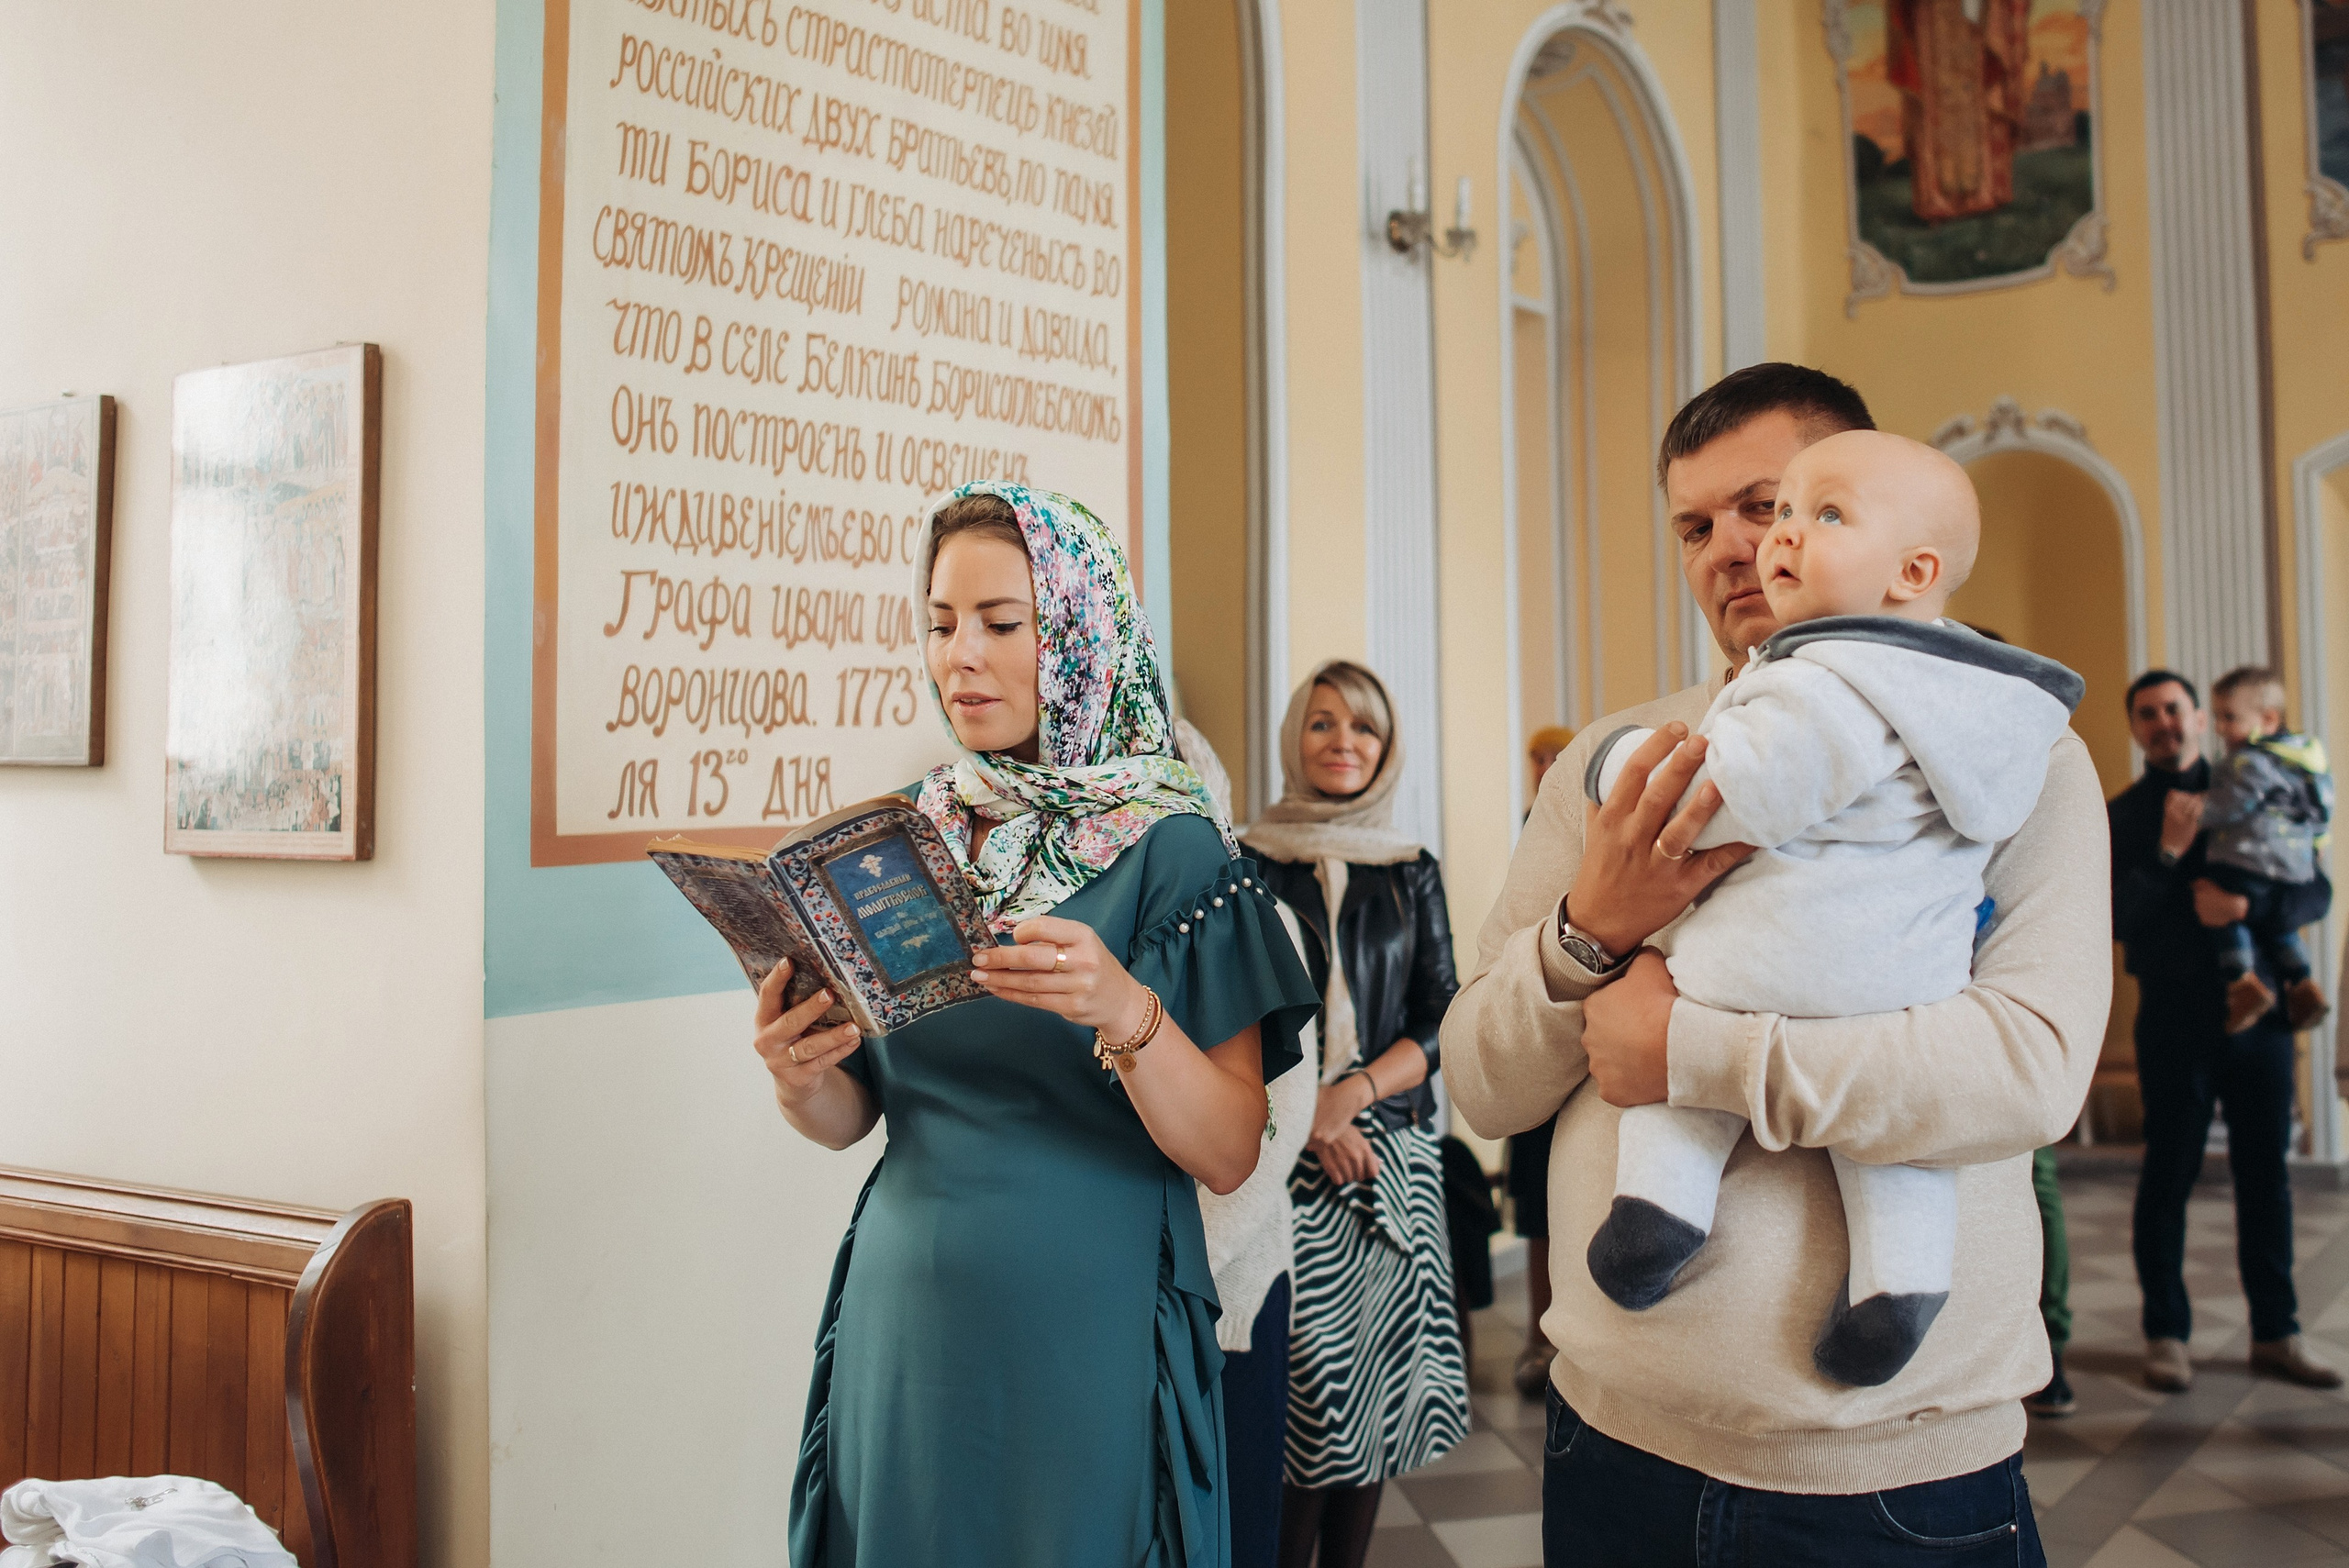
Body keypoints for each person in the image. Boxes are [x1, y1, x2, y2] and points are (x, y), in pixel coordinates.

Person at [1444, 362, 2107, 1566]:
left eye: (1773, 503)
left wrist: (1686, 1050)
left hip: (1887, 1467)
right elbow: (1483, 1084)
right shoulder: (1614, 760)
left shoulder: (2018, 758)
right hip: (1609, 1434)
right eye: (1697, 524)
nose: (1741, 546)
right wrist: (1591, 927)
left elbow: (2028, 1071)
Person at [763, 484, 1319, 1568]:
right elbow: (859, 1116)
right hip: (903, 1330)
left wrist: (1127, 1011)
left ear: (1077, 629)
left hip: (1087, 1336)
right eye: (938, 623)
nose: (959, 655)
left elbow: (1228, 1147)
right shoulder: (902, 835)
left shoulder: (1177, 849)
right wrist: (800, 1077)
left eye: (1000, 623)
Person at [1575, 430, 2083, 1387]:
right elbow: (1488, 1065)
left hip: (1764, 962)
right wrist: (1581, 930)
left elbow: (1732, 793)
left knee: (1681, 1055)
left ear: (1912, 570)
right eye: (1694, 524)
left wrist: (1620, 766)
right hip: (1903, 981)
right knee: (1896, 1153)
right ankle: (1899, 1282)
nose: (1761, 541)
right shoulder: (1973, 706)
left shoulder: (1830, 676)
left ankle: (1659, 1210)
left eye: (1801, 510)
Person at [1239, 661, 1470, 1568]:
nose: (1344, 743)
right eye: (1323, 723)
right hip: (1278, 1166)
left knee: (1372, 1411)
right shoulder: (1248, 861)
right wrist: (1306, 1119)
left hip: (1389, 1160)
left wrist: (1353, 1097)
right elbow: (1232, 1018)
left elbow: (1441, 1010)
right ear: (1294, 735)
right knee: (1305, 1416)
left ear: (1386, 746)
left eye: (1364, 727)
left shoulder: (1410, 867)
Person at [2111, 669, 2343, 1395]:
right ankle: (2166, 1332)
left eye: (2175, 709)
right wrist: (2172, 854)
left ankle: (2277, 1331)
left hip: (2262, 1019)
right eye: (2147, 714)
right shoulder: (2123, 815)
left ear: (2202, 720)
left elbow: (2315, 885)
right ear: (2136, 729)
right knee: (2169, 1174)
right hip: (2175, 1018)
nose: (2164, 723)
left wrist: (2245, 912)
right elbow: (2117, 919)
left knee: (2265, 1177)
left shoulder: (2256, 777)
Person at [1177, 717, 1321, 1568]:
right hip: (1125, 1305)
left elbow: (1274, 1131)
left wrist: (1176, 1273)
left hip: (1225, 1299)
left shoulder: (1261, 923)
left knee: (1232, 1535)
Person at [2199, 666, 2333, 1033]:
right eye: (2217, 718)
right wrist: (2318, 845)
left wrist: (2197, 811)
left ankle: (2242, 980)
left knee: (2224, 907)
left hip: (2248, 855)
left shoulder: (2249, 761)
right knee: (2280, 929)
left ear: (2268, 719)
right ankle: (2302, 982)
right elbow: (2322, 809)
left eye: (2229, 718)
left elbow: (2233, 804)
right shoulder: (2307, 757)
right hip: (2294, 863)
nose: (2221, 728)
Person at [1511, 725, 1576, 1396]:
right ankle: (1538, 1335)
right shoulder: (1527, 825)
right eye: (1538, 757)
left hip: (1581, 1034)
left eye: (1557, 756)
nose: (1547, 766)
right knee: (1534, 1206)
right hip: (1535, 1020)